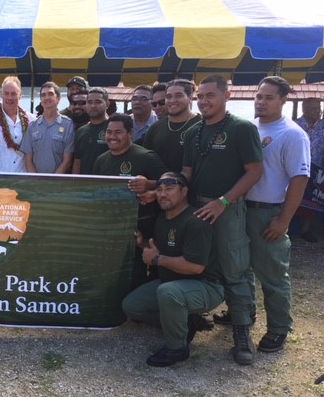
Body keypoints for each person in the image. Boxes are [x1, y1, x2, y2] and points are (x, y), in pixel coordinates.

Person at [181, 75, 263, 366]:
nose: (204, 101)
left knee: (234, 270)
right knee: (198, 266)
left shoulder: (242, 129)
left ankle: (242, 332)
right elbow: (187, 174)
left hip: (228, 207)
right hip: (197, 208)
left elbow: (254, 172)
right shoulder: (193, 132)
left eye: (210, 95)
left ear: (227, 96)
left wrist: (223, 201)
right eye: (200, 96)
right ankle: (193, 319)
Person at [122, 172, 223, 366]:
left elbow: (195, 267)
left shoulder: (196, 222)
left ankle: (176, 348)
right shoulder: (163, 219)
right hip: (173, 282)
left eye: (169, 189)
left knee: (168, 292)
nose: (162, 194)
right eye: (159, 190)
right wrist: (142, 244)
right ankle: (186, 322)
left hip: (205, 286)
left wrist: (157, 259)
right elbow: (158, 254)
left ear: (184, 191)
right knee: (131, 306)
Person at [244, 76, 310, 352]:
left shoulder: (292, 134)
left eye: (269, 97)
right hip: (242, 209)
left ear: (284, 100)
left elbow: (300, 178)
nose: (261, 101)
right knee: (240, 269)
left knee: (272, 275)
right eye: (259, 96)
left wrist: (284, 220)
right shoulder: (248, 129)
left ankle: (279, 328)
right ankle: (243, 316)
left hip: (268, 212)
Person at [93, 113, 168, 287]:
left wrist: (151, 189)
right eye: (109, 132)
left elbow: (172, 185)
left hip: (140, 232)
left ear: (130, 134)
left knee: (135, 278)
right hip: (110, 230)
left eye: (118, 132)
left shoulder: (146, 157)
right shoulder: (101, 160)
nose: (112, 137)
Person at [142, 79, 202, 172]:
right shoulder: (155, 128)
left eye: (178, 96)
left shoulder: (203, 125)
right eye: (168, 96)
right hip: (160, 185)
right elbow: (146, 162)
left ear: (190, 98)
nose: (172, 100)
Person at [21, 81, 74, 174]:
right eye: (43, 95)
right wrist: (37, 181)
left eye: (50, 94)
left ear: (58, 98)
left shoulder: (68, 125)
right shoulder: (32, 126)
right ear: (41, 100)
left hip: (58, 183)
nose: (47, 98)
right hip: (37, 184)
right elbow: (28, 159)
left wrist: (53, 181)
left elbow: (67, 160)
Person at [294, 97, 323, 243]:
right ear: (304, 110)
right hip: (296, 168)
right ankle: (286, 227)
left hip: (317, 170)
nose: (318, 111)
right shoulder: (295, 125)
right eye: (314, 108)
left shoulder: (323, 126)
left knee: (312, 200)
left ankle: (306, 230)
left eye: (319, 108)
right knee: (293, 197)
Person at [72, 87, 110, 175]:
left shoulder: (113, 129)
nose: (93, 106)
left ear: (107, 104)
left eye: (98, 102)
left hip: (107, 183)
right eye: (89, 102)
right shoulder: (80, 132)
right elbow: (77, 162)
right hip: (84, 185)